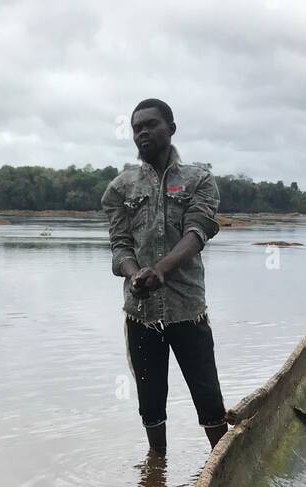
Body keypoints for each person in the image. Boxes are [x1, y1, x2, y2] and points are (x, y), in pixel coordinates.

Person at [101, 99, 228, 458]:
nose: (142, 132)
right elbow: (120, 246)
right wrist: (135, 273)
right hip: (141, 313)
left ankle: (222, 464)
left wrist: (161, 270)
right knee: (150, 398)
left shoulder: (198, 180)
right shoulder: (120, 189)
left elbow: (198, 232)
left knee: (207, 394)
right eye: (136, 127)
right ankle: (156, 471)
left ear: (171, 128)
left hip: (188, 309)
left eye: (150, 124)